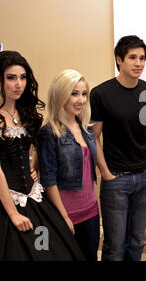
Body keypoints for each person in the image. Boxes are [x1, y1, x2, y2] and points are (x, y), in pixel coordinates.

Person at [0, 51, 84, 260]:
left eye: (22, 77)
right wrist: (13, 213)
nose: (18, 84)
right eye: (11, 78)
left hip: (34, 197)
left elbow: (29, 151)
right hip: (2, 202)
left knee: (48, 250)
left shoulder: (23, 111)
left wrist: (31, 166)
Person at [90, 35, 146, 261]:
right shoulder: (101, 93)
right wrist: (105, 172)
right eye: (132, 57)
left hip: (144, 178)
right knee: (115, 246)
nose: (138, 63)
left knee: (136, 242)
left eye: (142, 58)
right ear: (119, 60)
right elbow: (94, 137)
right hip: (116, 179)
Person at [38, 69, 100, 261]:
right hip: (66, 214)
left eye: (83, 94)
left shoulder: (86, 128)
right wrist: (63, 217)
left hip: (91, 211)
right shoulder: (50, 132)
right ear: (61, 94)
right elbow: (49, 180)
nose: (80, 100)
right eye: (74, 93)